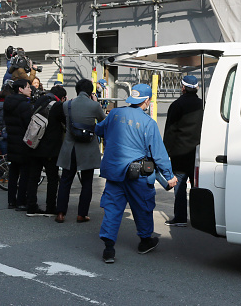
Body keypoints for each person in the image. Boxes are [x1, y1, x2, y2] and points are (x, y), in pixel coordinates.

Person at [96, 84, 177, 262]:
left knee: (112, 208)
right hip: (138, 174)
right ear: (146, 101)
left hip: (114, 171)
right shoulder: (148, 123)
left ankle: (109, 249)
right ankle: (145, 241)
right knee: (143, 207)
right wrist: (169, 176)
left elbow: (98, 130)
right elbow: (159, 153)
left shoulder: (115, 114)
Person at [55, 78, 106, 223]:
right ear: (90, 92)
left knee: (65, 181)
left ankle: (60, 213)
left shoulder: (67, 105)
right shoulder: (94, 106)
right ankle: (81, 214)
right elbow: (104, 122)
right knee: (87, 182)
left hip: (70, 148)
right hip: (87, 148)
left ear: (77, 90)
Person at [163, 75, 203, 227]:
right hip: (198, 152)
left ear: (183, 88)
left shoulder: (176, 105)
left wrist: (165, 152)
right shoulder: (202, 105)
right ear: (196, 88)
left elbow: (170, 130)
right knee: (196, 187)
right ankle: (199, 219)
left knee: (179, 186)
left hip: (179, 153)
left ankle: (180, 218)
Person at [25, 85, 67, 217]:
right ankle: (50, 208)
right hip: (50, 149)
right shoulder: (58, 106)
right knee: (52, 179)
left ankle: (31, 207)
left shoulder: (39, 101)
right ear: (62, 97)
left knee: (33, 178)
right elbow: (65, 122)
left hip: (35, 145)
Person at [3, 78, 34, 210]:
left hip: (12, 141)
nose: (30, 89)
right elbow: (30, 125)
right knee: (25, 173)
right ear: (20, 89)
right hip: (23, 142)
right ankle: (21, 201)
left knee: (13, 172)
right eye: (28, 87)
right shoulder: (24, 105)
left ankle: (11, 201)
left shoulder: (8, 103)